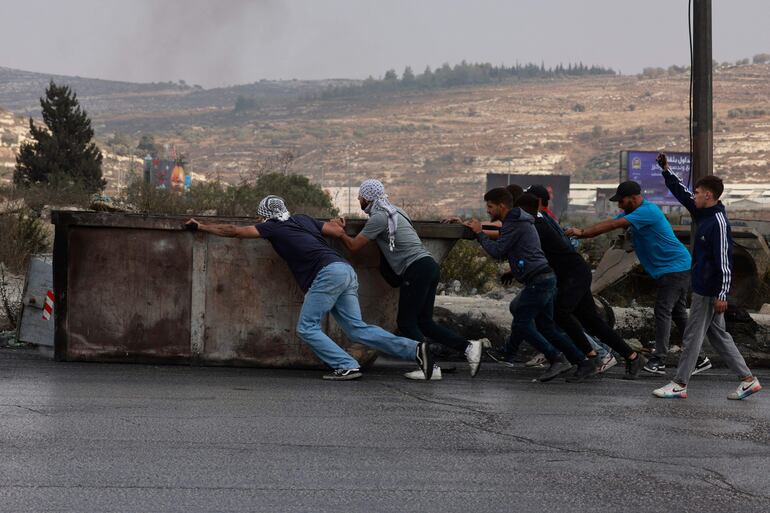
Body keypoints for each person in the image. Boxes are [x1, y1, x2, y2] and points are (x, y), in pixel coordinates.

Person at [184, 195, 434, 381]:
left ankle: (346, 365)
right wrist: (337, 222)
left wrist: (201, 226)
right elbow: (336, 230)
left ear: (265, 215)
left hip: (327, 274)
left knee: (306, 327)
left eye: (260, 217)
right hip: (345, 270)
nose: (259, 221)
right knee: (357, 329)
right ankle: (415, 349)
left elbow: (235, 231)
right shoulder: (302, 220)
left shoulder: (271, 227)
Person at [333, 179, 485, 380]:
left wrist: (339, 232)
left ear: (368, 197)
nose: (359, 199)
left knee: (405, 322)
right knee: (424, 322)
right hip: (428, 265)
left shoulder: (378, 217)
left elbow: (353, 246)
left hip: (416, 270)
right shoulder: (395, 211)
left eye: (361, 196)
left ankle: (430, 366)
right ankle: (467, 348)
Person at [565, 180, 712, 376]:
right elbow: (610, 224)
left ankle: (659, 359)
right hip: (673, 268)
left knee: (663, 311)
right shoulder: (633, 213)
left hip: (675, 268)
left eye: (622, 201)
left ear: (633, 199)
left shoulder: (647, 211)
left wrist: (582, 233)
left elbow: (613, 224)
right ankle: (699, 358)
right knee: (677, 314)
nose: (619, 205)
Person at [652, 155, 761, 400]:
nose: (695, 195)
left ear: (709, 196)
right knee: (719, 336)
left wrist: (723, 294)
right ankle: (748, 380)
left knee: (692, 336)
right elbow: (682, 194)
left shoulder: (718, 223)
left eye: (699, 192)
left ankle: (680, 383)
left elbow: (725, 260)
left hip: (710, 291)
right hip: (703, 286)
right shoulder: (703, 214)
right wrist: (667, 171)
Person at [514, 193, 647, 381]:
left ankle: (590, 359)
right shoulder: (538, 221)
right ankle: (633, 357)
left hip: (572, 274)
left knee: (561, 313)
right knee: (591, 321)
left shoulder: (535, 226)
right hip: (574, 272)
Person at [465, 187, 591, 382]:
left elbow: (497, 251)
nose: (488, 211)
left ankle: (554, 358)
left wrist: (480, 234)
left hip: (539, 280)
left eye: (490, 207)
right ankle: (581, 361)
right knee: (544, 326)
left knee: (522, 321)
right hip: (544, 278)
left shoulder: (514, 222)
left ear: (501, 205)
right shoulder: (516, 220)